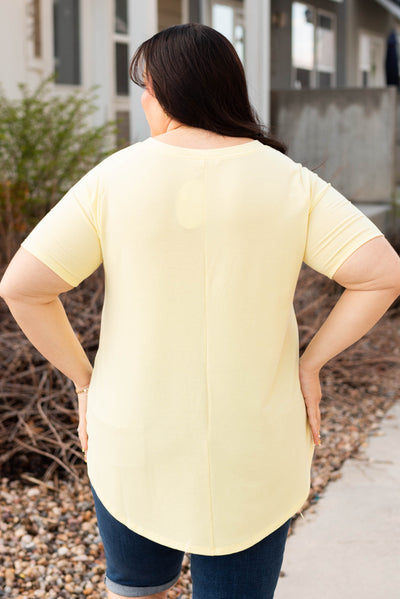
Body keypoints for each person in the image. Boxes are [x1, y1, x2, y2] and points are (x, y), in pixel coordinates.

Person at [1, 23, 400, 599]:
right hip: (256, 443)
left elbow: (23, 286)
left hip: (132, 434)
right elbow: (381, 274)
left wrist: (86, 383)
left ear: (165, 92)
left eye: (145, 88)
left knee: (136, 590)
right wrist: (309, 365)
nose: (143, 102)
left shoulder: (113, 178)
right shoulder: (289, 181)